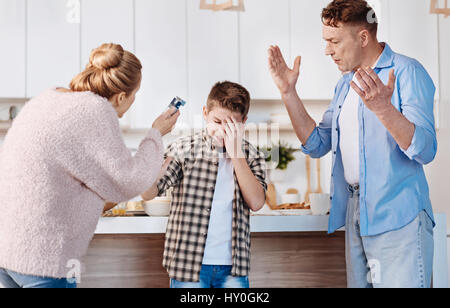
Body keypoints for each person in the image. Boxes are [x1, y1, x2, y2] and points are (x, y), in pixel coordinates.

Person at [268, 0, 436, 288]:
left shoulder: (407, 71)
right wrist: (288, 93)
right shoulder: (346, 84)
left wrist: (383, 108)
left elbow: (425, 149)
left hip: (399, 217)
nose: (327, 50)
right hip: (358, 213)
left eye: (334, 41)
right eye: (326, 41)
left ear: (362, 37)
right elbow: (318, 143)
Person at [0, 43, 179, 288]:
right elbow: (129, 180)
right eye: (135, 96)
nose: (132, 103)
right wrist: (156, 133)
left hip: (7, 250)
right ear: (121, 97)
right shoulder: (96, 111)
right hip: (43, 260)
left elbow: (81, 179)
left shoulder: (50, 96)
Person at [142, 81, 267, 288]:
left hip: (233, 269)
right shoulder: (183, 149)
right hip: (188, 266)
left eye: (231, 126)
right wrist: (152, 164)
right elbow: (147, 194)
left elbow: (256, 202)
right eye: (217, 122)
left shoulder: (251, 154)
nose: (222, 132)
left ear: (244, 122)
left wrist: (236, 153)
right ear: (205, 113)